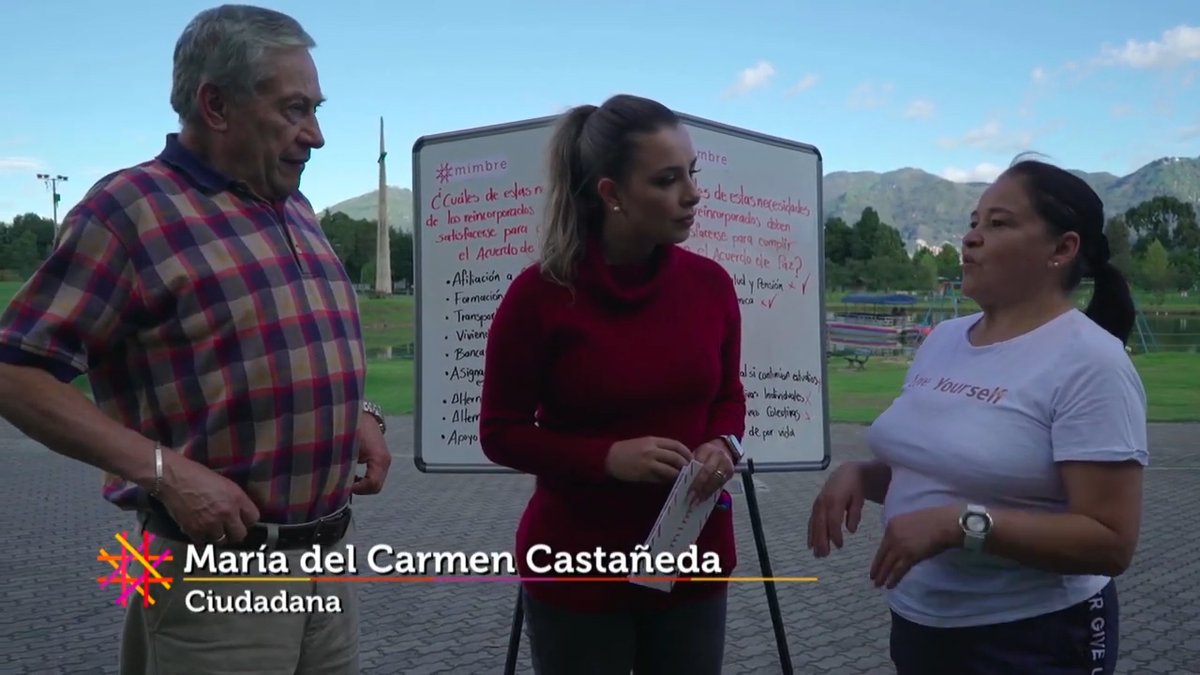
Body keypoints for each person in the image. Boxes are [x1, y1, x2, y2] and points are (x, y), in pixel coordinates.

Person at [0, 5, 391, 673]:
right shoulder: (129, 210)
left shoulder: (292, 204)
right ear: (216, 105)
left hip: (327, 564)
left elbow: (265, 351)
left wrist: (354, 415)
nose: (317, 135)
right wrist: (164, 471)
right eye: (296, 109)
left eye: (316, 108)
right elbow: (15, 371)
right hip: (207, 573)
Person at [807, 155, 1148, 674]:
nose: (971, 238)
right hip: (921, 623)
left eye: (999, 223)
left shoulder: (1091, 361)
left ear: (1063, 248)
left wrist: (958, 525)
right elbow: (943, 468)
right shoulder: (943, 340)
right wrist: (859, 473)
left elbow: (1110, 541)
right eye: (972, 223)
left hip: (1034, 636)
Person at [478, 93, 746, 674]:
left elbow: (729, 394)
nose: (693, 194)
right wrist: (607, 458)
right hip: (577, 572)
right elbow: (500, 433)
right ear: (612, 194)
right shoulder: (540, 296)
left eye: (692, 174)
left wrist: (724, 444)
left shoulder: (712, 287)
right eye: (668, 180)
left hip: (691, 562)